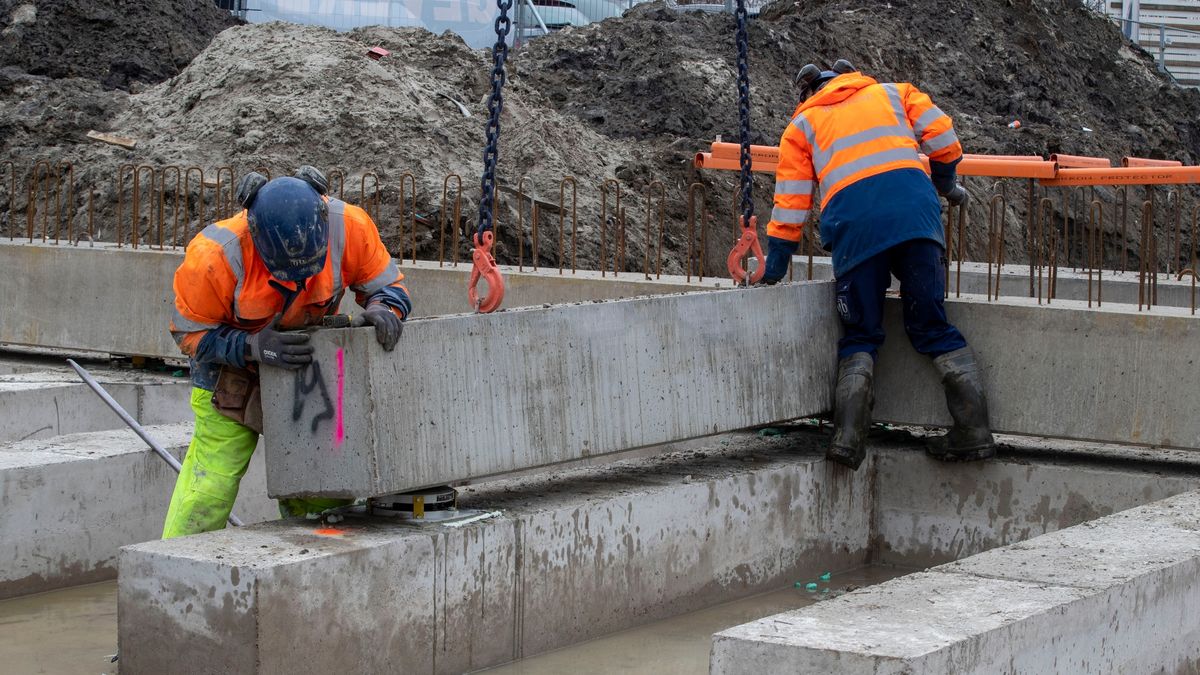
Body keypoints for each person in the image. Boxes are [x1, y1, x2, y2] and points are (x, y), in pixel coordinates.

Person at [761, 59, 994, 470]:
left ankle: (848, 439)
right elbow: (944, 138)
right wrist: (944, 185)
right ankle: (973, 430)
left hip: (857, 229)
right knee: (930, 323)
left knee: (861, 334)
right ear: (849, 76)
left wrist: (774, 268)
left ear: (808, 92)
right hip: (916, 216)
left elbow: (792, 203)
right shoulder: (893, 92)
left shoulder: (802, 126)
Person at [164, 167, 411, 537]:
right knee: (208, 490)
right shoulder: (215, 256)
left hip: (308, 375)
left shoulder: (350, 228)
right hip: (231, 376)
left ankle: (310, 569)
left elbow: (389, 286)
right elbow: (189, 333)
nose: (299, 283)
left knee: (322, 496)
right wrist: (251, 346)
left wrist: (384, 308)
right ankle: (174, 571)